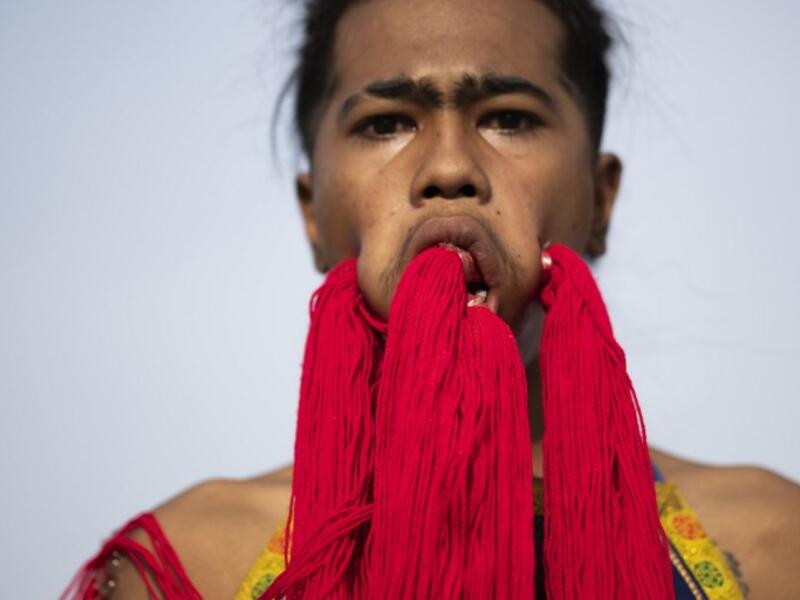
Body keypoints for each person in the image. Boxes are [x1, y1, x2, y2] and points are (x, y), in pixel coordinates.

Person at [64, 0, 800, 598]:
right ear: (313, 212)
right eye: (386, 124)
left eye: (510, 117)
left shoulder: (773, 549)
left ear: (601, 200)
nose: (449, 169)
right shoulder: (193, 566)